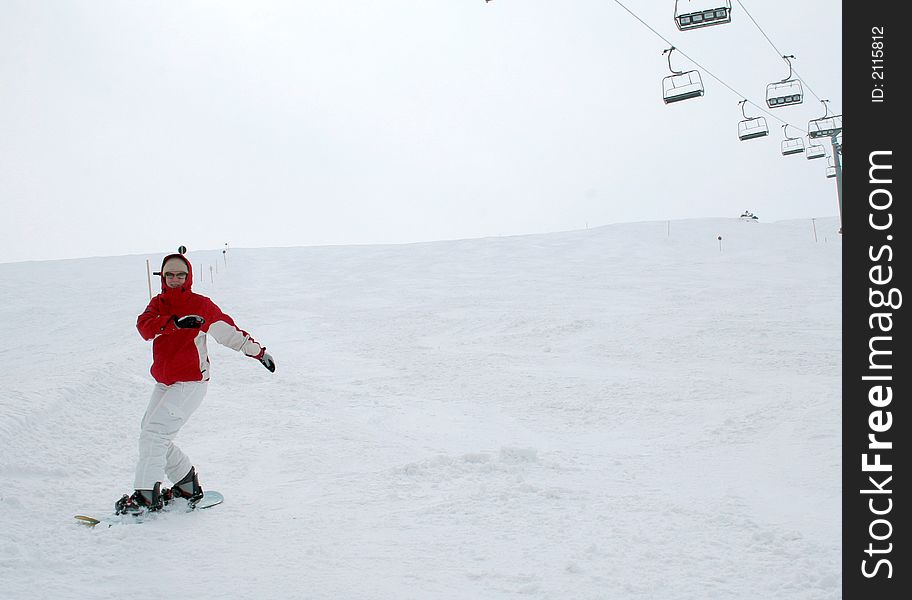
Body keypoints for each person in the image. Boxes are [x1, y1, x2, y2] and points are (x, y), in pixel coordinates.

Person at [115, 252, 276, 514]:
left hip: (191, 382)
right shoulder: (157, 304)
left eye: (181, 275)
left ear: (188, 277)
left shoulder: (199, 304)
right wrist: (174, 323)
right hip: (165, 382)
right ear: (163, 278)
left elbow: (228, 332)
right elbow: (144, 328)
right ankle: (186, 485)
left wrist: (257, 352)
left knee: (155, 434)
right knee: (150, 434)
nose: (175, 279)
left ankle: (145, 497)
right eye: (170, 275)